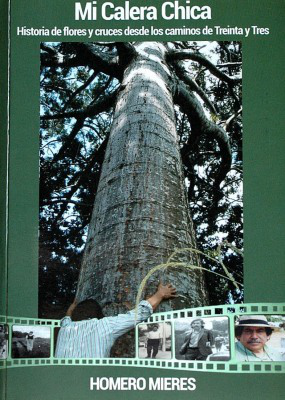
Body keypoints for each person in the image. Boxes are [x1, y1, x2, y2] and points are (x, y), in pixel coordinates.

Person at [55, 283, 176, 358]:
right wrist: (160, 294)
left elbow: (67, 316)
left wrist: (71, 309)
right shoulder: (103, 325)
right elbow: (139, 314)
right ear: (99, 315)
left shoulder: (65, 327)